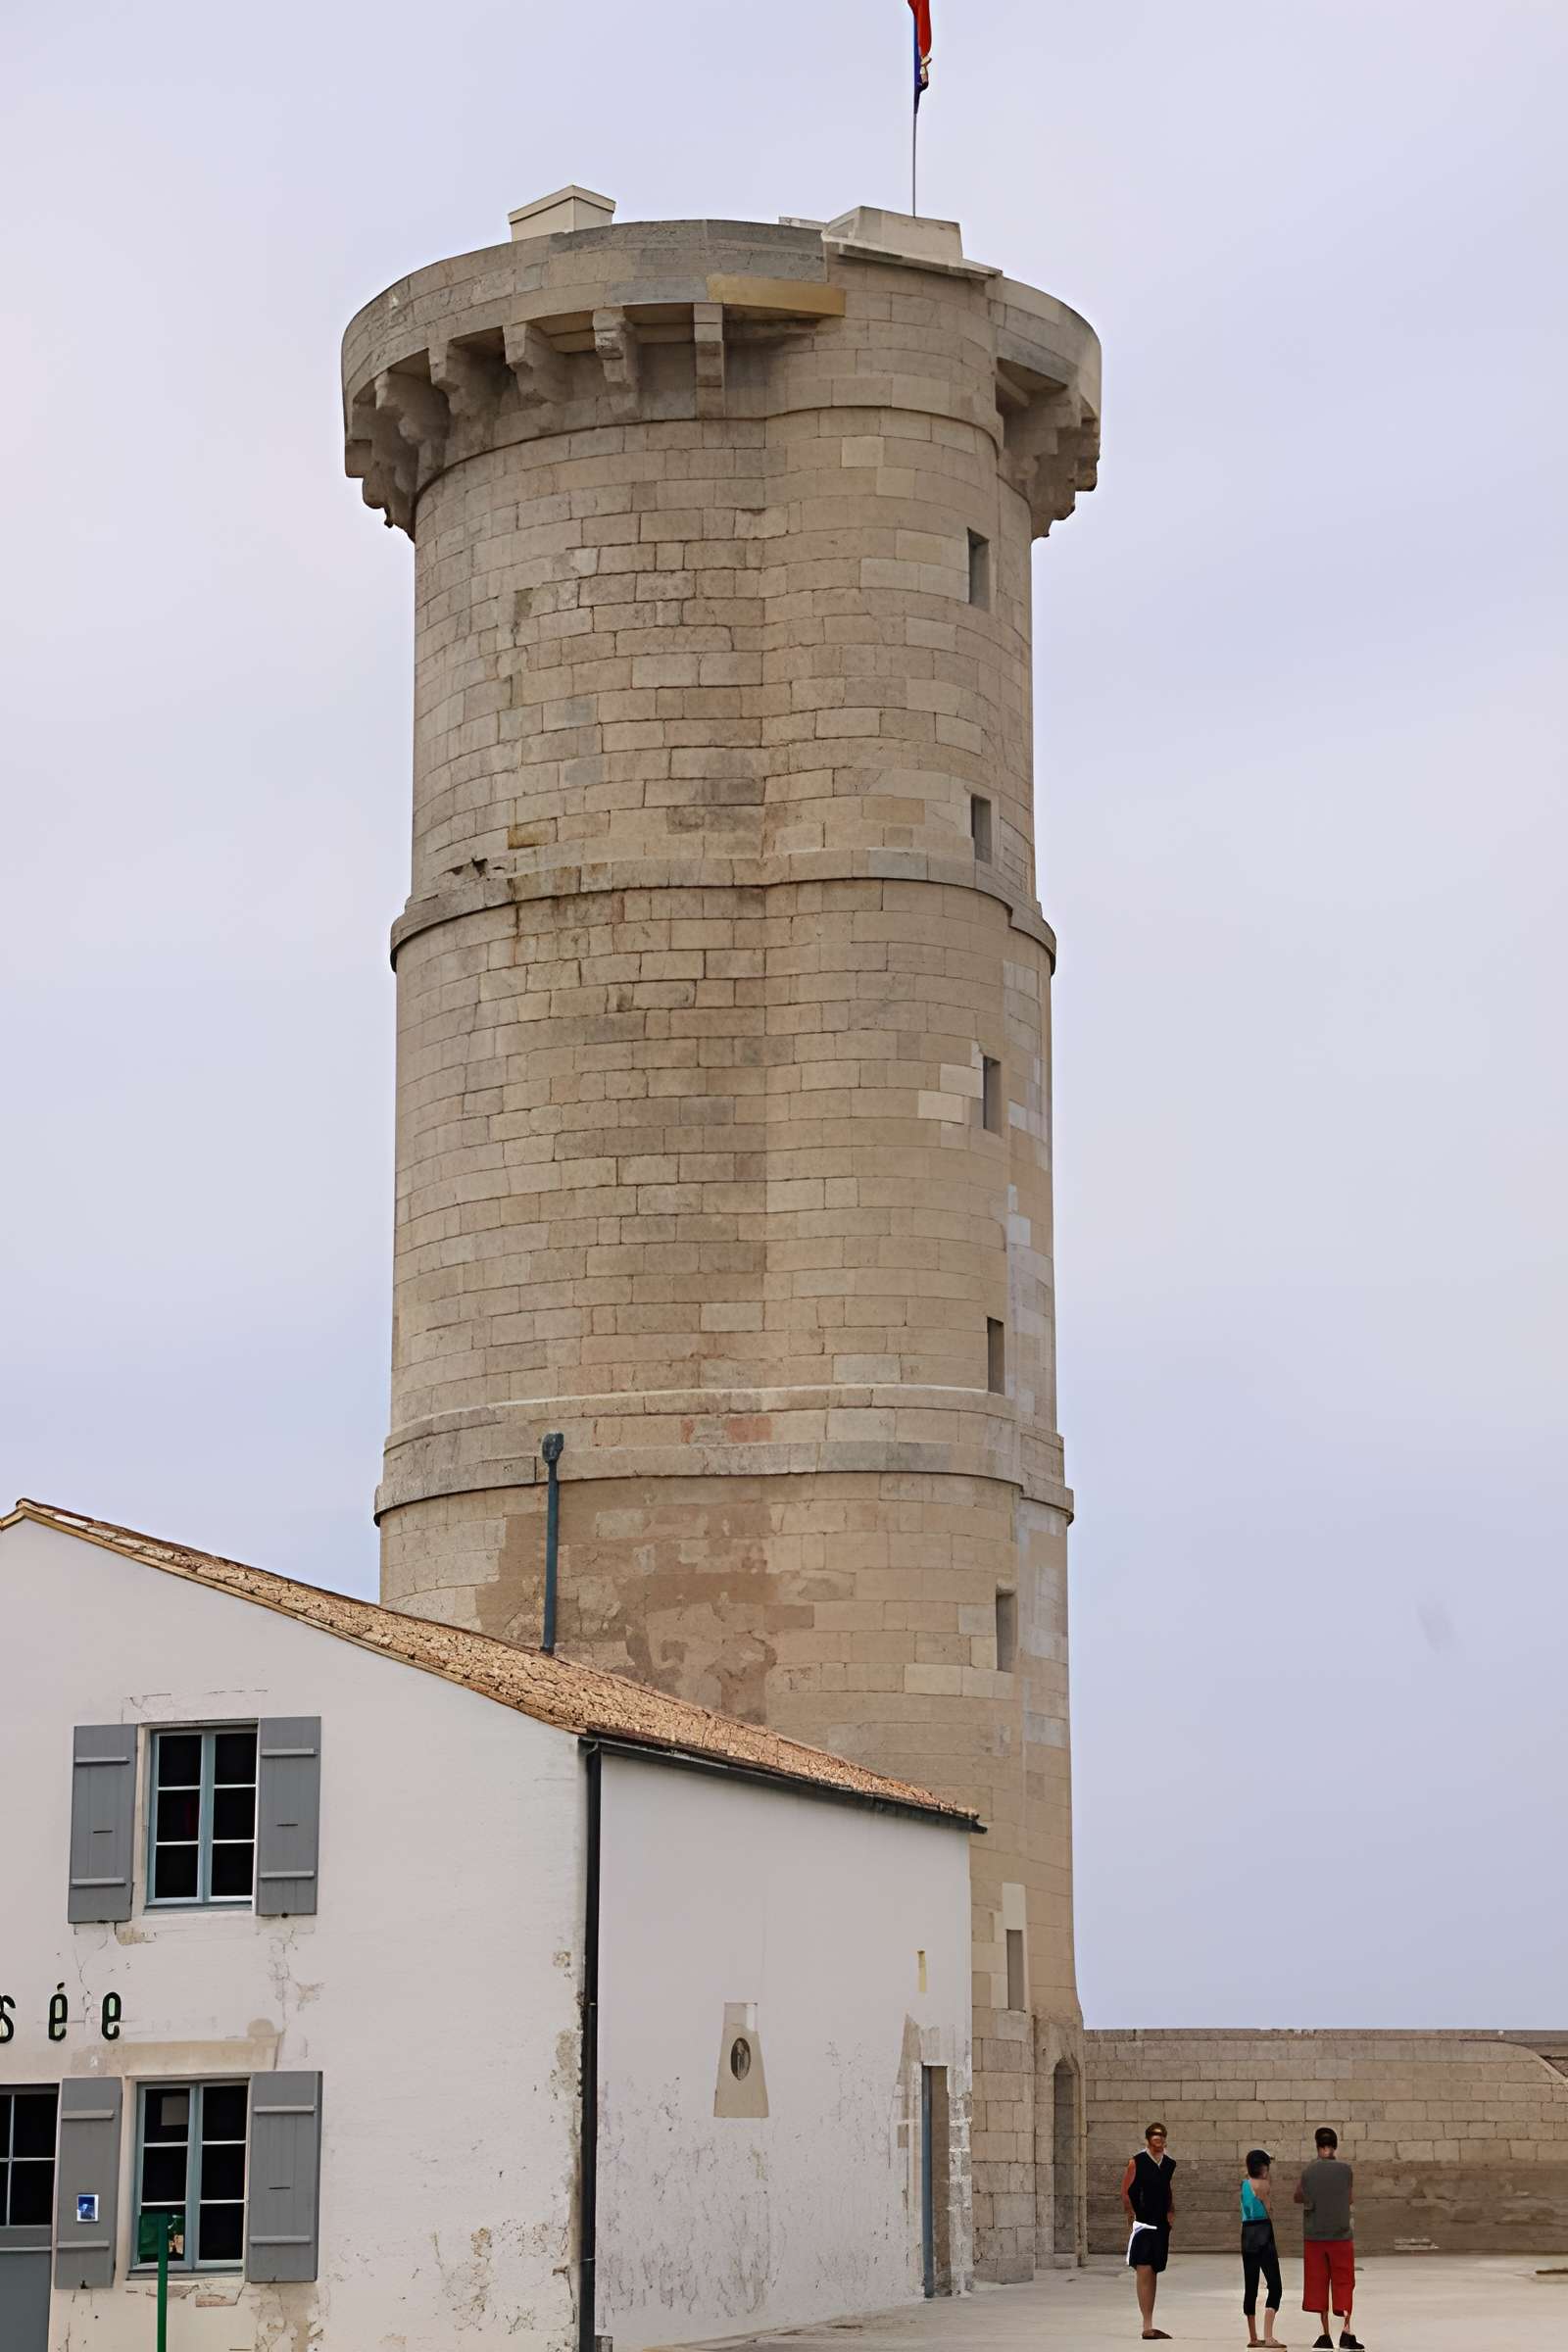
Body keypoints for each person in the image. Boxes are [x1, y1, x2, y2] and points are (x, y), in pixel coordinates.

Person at [1294, 2127, 1361, 2350]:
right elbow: (1350, 2199)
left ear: (1317, 2146)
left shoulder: (1308, 2172)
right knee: (1344, 2283)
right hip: (1341, 2236)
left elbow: (1298, 2196)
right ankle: (1346, 2333)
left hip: (1314, 2237)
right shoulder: (1346, 2170)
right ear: (1335, 2146)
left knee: (1318, 2284)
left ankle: (1325, 2335)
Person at [1121, 2121, 1177, 2339]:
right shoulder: (1136, 2162)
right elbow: (1126, 2192)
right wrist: (1131, 2215)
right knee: (1143, 2269)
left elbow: (1167, 2189)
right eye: (1154, 2136)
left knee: (1154, 2270)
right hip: (1143, 2224)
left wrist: (1171, 2212)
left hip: (1161, 2224)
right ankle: (1147, 2325)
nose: (1158, 2140)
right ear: (1148, 2140)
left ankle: (1150, 2323)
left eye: (1161, 2137)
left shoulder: (1169, 2164)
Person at [1240, 2148, 1286, 2347]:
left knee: (1250, 2286)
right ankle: (1268, 2336)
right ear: (1263, 2167)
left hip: (1247, 2233)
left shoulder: (1244, 2184)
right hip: (1263, 2232)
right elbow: (1268, 2210)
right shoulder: (1264, 2185)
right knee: (1275, 2285)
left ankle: (1253, 2337)